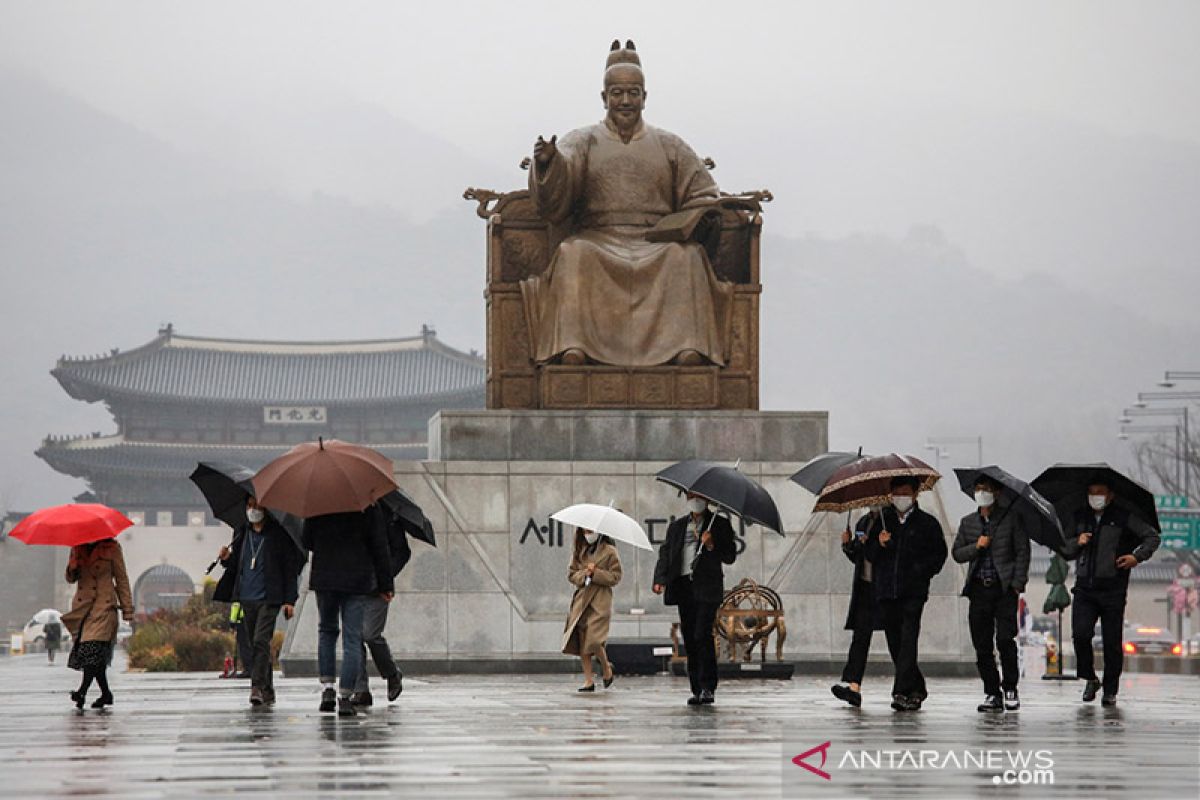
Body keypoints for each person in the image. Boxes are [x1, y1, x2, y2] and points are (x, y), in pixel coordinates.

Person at [521, 40, 733, 367]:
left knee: (687, 257)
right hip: (598, 238)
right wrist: (550, 164)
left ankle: (686, 348)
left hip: (656, 241)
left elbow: (703, 192)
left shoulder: (669, 144)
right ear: (604, 98)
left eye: (633, 93)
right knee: (573, 254)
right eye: (617, 94)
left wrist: (699, 214)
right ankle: (575, 347)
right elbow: (555, 195)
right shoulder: (582, 140)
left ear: (645, 98)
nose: (625, 101)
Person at [1061, 478, 1160, 706]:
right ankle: (1089, 678)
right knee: (1081, 635)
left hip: (1113, 588)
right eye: (1092, 491)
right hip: (1085, 587)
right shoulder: (1080, 517)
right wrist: (1078, 541)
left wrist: (1137, 556)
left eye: (1100, 492)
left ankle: (1110, 689)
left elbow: (1152, 537)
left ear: (1110, 495)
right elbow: (1064, 549)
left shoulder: (1123, 517)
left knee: (1112, 642)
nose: (1095, 496)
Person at [865, 477, 948, 712]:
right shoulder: (883, 521)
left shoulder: (927, 523)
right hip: (887, 592)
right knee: (895, 643)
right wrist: (878, 544)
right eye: (897, 492)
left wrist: (919, 571)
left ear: (915, 494)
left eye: (905, 492)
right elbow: (869, 556)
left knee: (908, 641)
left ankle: (900, 691)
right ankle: (917, 689)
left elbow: (938, 556)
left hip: (913, 592)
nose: (901, 497)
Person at [302, 506, 393, 717]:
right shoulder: (367, 505)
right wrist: (385, 583)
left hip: (325, 577)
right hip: (356, 579)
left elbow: (307, 540)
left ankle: (327, 691)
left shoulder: (319, 502)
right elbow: (379, 545)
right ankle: (345, 697)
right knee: (352, 638)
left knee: (326, 631)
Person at [951, 476, 1031, 713]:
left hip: (1004, 589)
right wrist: (977, 546)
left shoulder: (1011, 519)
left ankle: (1010, 688)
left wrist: (1017, 584)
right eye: (978, 489)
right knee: (982, 644)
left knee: (1006, 640)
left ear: (997, 492)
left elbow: (1022, 552)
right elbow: (957, 553)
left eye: (986, 489)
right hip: (978, 589)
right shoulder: (968, 523)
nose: (981, 493)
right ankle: (991, 691)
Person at [213, 497, 302, 706]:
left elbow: (289, 570)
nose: (253, 510)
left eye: (257, 506)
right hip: (246, 597)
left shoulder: (277, 535)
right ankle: (268, 689)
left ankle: (256, 687)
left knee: (261, 641)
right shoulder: (242, 533)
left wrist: (290, 599)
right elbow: (237, 565)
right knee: (256, 644)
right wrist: (226, 558)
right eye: (249, 505)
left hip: (269, 598)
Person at [653, 493, 737, 705]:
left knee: (702, 634)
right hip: (683, 587)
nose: (694, 500)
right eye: (691, 496)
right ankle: (696, 688)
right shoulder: (677, 526)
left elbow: (730, 556)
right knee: (690, 637)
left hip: (707, 587)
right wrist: (660, 579)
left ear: (707, 499)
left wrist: (711, 545)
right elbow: (666, 554)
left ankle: (708, 686)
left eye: (698, 496)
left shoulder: (719, 524)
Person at [61, 537, 133, 709]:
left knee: (92, 649)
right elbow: (70, 579)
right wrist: (72, 566)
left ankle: (82, 692)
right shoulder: (77, 548)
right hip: (84, 608)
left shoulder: (112, 548)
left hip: (104, 606)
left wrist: (127, 609)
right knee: (94, 655)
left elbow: (121, 579)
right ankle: (106, 694)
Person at [350, 504, 410, 708]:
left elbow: (402, 551)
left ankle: (392, 674)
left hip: (378, 588)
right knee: (354, 637)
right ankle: (360, 690)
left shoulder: (386, 514)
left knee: (370, 635)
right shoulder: (346, 513)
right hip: (352, 584)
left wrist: (385, 576)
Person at [830, 508, 883, 707]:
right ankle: (854, 686)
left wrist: (880, 543)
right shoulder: (863, 522)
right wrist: (847, 544)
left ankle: (908, 686)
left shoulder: (891, 522)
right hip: (865, 588)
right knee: (860, 638)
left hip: (886, 589)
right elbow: (858, 557)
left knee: (898, 640)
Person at [562, 527, 623, 692]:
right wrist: (585, 574)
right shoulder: (580, 551)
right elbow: (571, 574)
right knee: (582, 639)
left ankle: (606, 667)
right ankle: (589, 680)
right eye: (585, 531)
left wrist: (596, 573)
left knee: (594, 640)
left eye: (590, 531)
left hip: (600, 599)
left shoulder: (610, 551)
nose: (588, 534)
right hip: (582, 599)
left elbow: (615, 576)